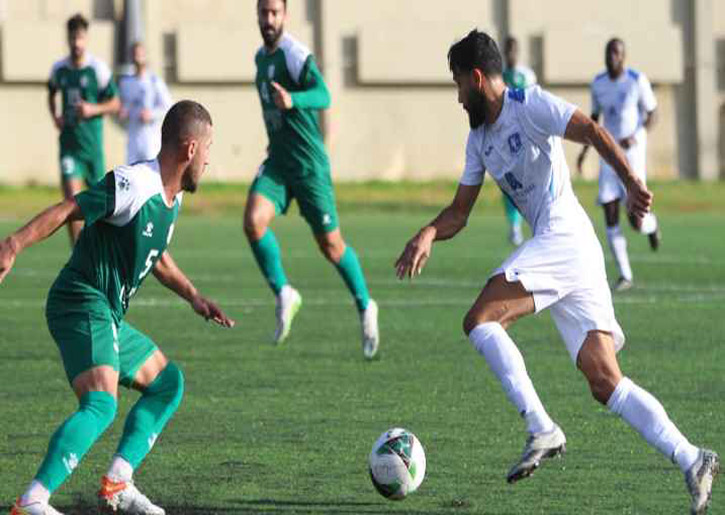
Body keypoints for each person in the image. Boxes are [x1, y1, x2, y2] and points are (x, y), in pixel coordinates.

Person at [395, 30, 718, 514]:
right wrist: (428, 232)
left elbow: (591, 130)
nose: (458, 96)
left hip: (564, 236)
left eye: (458, 83)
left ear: (477, 78)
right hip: (575, 250)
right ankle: (693, 457)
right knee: (604, 380)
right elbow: (459, 213)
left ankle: (541, 427)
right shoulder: (479, 140)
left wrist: (632, 182)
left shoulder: (529, 105)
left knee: (480, 320)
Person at [3, 101, 235, 515]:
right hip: (80, 299)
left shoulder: (172, 199)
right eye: (208, 149)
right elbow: (70, 208)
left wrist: (194, 296)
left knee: (167, 383)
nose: (208, 160)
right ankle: (32, 500)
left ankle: (117, 483)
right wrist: (13, 243)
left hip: (106, 314)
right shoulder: (134, 183)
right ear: (190, 148)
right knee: (101, 403)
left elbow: (157, 257)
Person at [245, 0, 379, 358]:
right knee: (253, 221)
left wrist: (293, 99)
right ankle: (284, 293)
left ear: (285, 16)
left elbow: (324, 94)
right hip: (279, 162)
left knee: (331, 246)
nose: (269, 19)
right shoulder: (260, 59)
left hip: (308, 166)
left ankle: (366, 305)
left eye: (275, 13)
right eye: (264, 12)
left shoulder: (295, 55)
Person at [577, 38, 660, 292]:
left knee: (636, 221)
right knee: (609, 211)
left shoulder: (637, 80)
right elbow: (593, 121)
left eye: (616, 52)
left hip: (632, 157)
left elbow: (653, 113)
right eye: (608, 52)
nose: (611, 56)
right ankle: (625, 275)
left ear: (624, 56)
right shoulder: (598, 83)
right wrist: (584, 151)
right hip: (608, 156)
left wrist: (637, 135)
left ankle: (651, 225)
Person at [48, 13, 121, 244]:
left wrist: (92, 109)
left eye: (80, 38)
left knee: (100, 208)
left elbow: (116, 103)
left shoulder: (97, 69)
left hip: (92, 150)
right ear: (68, 38)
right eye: (73, 38)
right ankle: (77, 254)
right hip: (69, 147)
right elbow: (51, 92)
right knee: (72, 202)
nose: (76, 43)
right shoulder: (59, 69)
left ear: (86, 38)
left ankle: (101, 251)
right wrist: (55, 116)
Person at [501, 36, 537, 246]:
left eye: (514, 50)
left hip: (526, 137)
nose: (511, 54)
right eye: (508, 50)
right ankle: (514, 226)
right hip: (506, 138)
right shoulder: (499, 75)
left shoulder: (527, 76)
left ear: (518, 51)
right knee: (510, 181)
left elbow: (534, 103)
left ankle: (538, 222)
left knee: (533, 179)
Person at [118, 41, 173, 164]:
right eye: (135, 55)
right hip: (133, 138)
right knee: (132, 171)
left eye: (140, 54)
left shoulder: (154, 81)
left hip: (150, 139)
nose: (138, 58)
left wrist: (152, 114)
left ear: (145, 56)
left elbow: (168, 107)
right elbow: (120, 107)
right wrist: (122, 113)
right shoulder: (125, 82)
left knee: (150, 170)